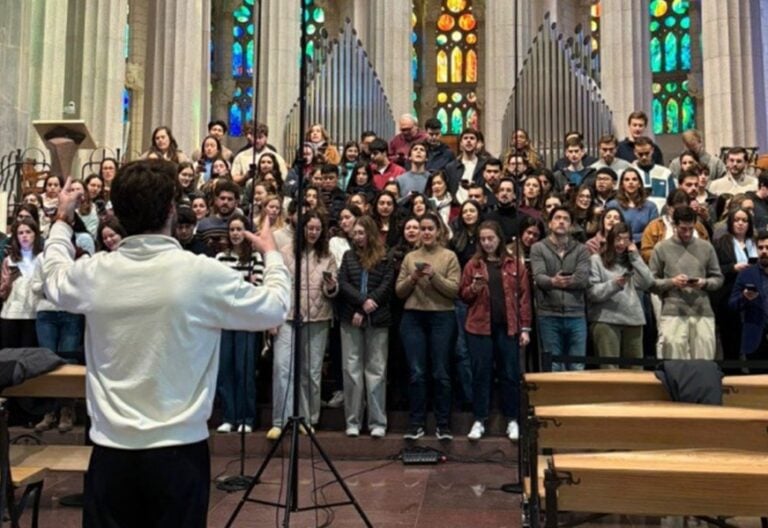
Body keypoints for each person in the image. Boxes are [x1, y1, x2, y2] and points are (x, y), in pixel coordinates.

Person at [41, 160, 290, 527]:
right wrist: (271, 255)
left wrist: (62, 220)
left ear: (119, 214)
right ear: (172, 209)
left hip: (112, 453)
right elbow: (274, 309)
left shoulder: (96, 273)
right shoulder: (200, 274)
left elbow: (53, 276)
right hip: (179, 455)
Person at [460, 220, 531, 441]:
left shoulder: (514, 264)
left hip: (508, 327)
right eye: (483, 239)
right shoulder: (473, 264)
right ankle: (480, 419)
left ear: (499, 238)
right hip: (479, 327)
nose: (487, 243)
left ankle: (512, 419)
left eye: (491, 238)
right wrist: (473, 288)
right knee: (481, 375)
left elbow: (524, 299)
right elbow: (463, 295)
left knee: (509, 374)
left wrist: (525, 328)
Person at [270, 211, 338, 439]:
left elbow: (333, 291)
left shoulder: (327, 255)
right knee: (282, 366)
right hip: (288, 316)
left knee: (311, 372)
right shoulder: (286, 252)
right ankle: (280, 420)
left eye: (318, 229)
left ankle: (308, 419)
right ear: (302, 229)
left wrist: (331, 285)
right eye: (310, 228)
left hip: (318, 318)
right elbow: (277, 284)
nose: (314, 233)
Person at [396, 212, 460, 440]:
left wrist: (434, 276)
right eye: (422, 229)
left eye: (430, 228)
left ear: (438, 231)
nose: (425, 233)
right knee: (416, 373)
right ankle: (416, 423)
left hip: (442, 317)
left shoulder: (449, 256)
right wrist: (413, 278)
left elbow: (454, 290)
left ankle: (443, 424)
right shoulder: (410, 257)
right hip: (413, 317)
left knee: (441, 372)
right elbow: (399, 291)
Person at [337, 216, 394, 437]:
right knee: (351, 370)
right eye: (355, 233)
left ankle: (377, 421)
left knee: (376, 371)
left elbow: (386, 285)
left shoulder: (385, 257)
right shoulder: (348, 256)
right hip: (350, 318)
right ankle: (353, 420)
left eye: (362, 233)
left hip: (378, 319)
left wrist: (368, 305)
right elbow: (343, 283)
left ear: (370, 233)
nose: (358, 237)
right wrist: (361, 303)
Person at [648, 206, 723, 360]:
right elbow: (651, 283)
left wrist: (704, 282)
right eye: (683, 229)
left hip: (703, 311)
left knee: (704, 365)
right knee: (675, 365)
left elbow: (718, 279)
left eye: (691, 228)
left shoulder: (706, 247)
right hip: (673, 311)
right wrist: (672, 282)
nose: (687, 233)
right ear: (674, 225)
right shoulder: (661, 248)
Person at [214, 214, 264, 434]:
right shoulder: (219, 258)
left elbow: (258, 287)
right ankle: (229, 416)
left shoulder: (255, 258)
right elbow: (216, 289)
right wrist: (243, 282)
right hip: (225, 320)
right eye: (232, 229)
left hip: (246, 320)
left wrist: (236, 284)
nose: (235, 233)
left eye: (239, 229)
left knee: (244, 370)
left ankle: (247, 417)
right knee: (225, 370)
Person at [530, 206, 590, 371]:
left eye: (565, 219)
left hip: (576, 314)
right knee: (553, 364)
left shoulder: (582, 250)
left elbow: (583, 279)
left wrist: (554, 281)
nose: (561, 221)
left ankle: (576, 397)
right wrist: (553, 281)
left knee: (577, 364)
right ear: (549, 224)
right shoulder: (538, 248)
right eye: (557, 218)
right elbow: (539, 277)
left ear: (571, 225)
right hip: (548, 314)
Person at [587, 222, 654, 369]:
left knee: (636, 370)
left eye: (626, 239)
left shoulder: (632, 261)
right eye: (618, 239)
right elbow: (592, 293)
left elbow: (648, 282)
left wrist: (636, 257)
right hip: (606, 320)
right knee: (610, 371)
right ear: (610, 239)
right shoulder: (596, 260)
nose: (622, 243)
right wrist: (614, 285)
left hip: (633, 320)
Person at [713, 207, 757, 369]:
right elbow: (715, 269)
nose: (740, 224)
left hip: (754, 297)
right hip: (730, 295)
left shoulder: (755, 242)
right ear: (730, 223)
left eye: (744, 220)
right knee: (731, 340)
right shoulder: (722, 242)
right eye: (736, 220)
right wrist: (733, 268)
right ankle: (732, 374)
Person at [728, 230, 768, 372]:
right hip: (755, 337)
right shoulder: (746, 274)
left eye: (767, 248)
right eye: (761, 248)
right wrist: (745, 297)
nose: (764, 251)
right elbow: (732, 304)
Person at [1, 218, 42, 348]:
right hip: (10, 314)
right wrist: (6, 284)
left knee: (28, 357)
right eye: (20, 233)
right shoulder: (9, 260)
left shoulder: (42, 258)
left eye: (28, 232)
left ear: (35, 234)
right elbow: (2, 293)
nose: (24, 236)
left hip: (33, 314)